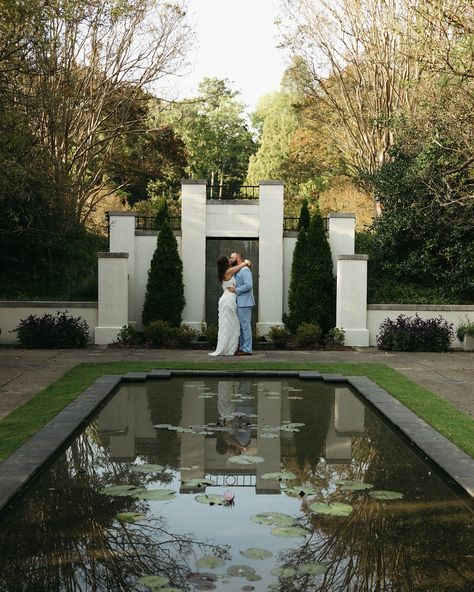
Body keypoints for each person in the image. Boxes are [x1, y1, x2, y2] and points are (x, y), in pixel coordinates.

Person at [208, 255, 252, 356]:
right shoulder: (229, 271)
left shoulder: (225, 272)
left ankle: (231, 347)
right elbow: (240, 266)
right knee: (231, 324)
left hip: (227, 299)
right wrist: (246, 261)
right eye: (229, 259)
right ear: (226, 263)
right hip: (228, 300)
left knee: (229, 324)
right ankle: (231, 347)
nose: (230, 260)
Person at [228, 251, 255, 355]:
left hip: (245, 303)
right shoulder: (239, 269)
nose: (230, 259)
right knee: (242, 326)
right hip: (240, 302)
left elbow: (249, 285)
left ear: (238, 258)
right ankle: (243, 347)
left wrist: (236, 290)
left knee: (245, 326)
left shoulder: (244, 270)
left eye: (232, 257)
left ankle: (247, 349)